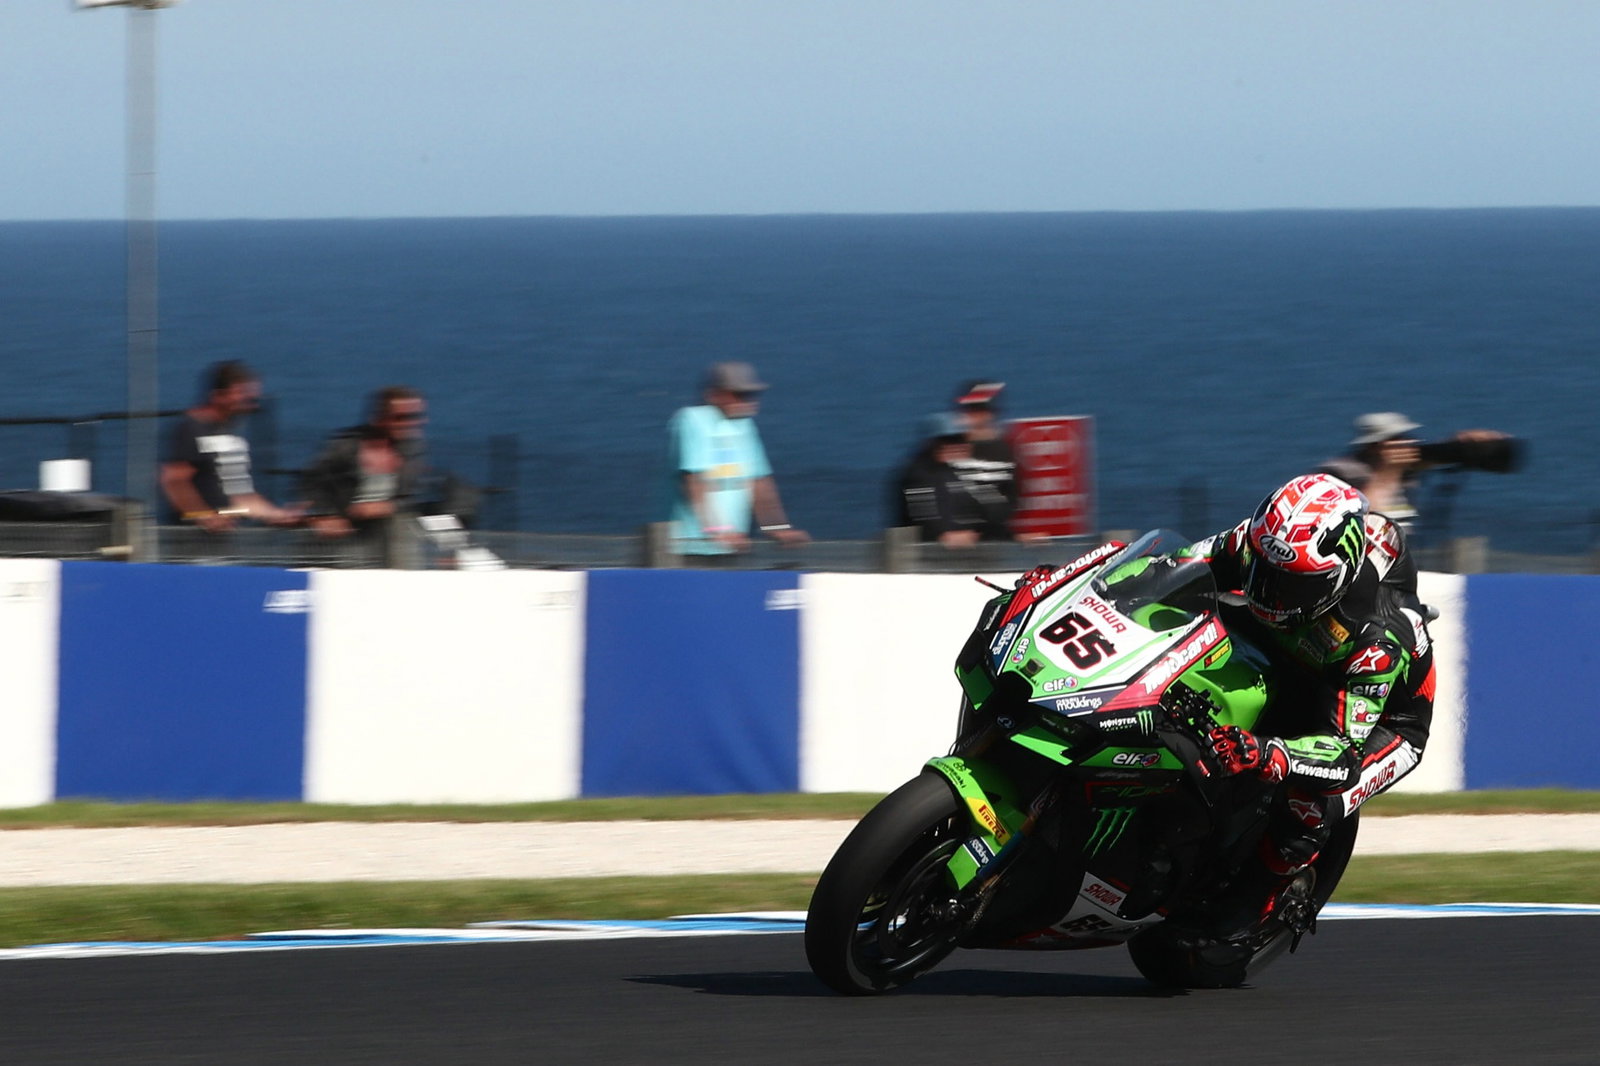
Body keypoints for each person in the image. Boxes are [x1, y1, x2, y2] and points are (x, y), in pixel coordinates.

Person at [1182, 472, 1436, 943]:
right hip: (1297, 652)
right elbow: (1171, 569)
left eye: (1290, 587)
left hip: (1381, 722)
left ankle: (1258, 899)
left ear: (1334, 579)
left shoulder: (1375, 641)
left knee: (1311, 794)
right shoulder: (1261, 543)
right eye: (1262, 573)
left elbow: (1340, 756)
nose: (1268, 595)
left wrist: (1267, 753)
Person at [665, 362, 808, 560]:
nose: (749, 401)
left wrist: (777, 528)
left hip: (729, 546)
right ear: (714, 395)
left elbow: (759, 482)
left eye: (752, 395)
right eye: (740, 394)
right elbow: (693, 481)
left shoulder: (745, 424)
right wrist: (718, 530)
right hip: (687, 548)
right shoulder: (691, 420)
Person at [159, 360, 300, 532]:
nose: (251, 404)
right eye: (244, 395)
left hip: (224, 541)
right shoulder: (191, 429)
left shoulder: (233, 436)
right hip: (192, 541)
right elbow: (174, 481)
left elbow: (240, 495)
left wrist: (276, 514)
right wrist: (203, 516)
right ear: (219, 395)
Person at [1318, 412, 1513, 536]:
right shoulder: (1340, 474)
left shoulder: (1404, 468)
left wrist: (1467, 444)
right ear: (1374, 446)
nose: (1408, 444)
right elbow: (1368, 520)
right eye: (1398, 439)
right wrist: (1388, 472)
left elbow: (1440, 456)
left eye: (1407, 437)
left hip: (1397, 560)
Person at [301, 386, 431, 539]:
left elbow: (421, 495)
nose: (411, 423)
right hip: (340, 535)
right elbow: (311, 483)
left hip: (390, 535)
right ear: (379, 418)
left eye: (416, 416)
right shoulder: (344, 445)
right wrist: (324, 514)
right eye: (401, 417)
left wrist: (389, 507)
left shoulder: (414, 450)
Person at [892, 412, 1013, 547]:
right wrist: (943, 533)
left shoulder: (967, 471)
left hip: (974, 551)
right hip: (928, 555)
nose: (958, 446)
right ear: (933, 444)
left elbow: (992, 507)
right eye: (950, 440)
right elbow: (923, 511)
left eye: (962, 439)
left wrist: (989, 531)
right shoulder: (918, 475)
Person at [949, 379, 1020, 532]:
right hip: (948, 542)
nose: (974, 417)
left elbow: (1012, 497)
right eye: (969, 411)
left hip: (989, 542)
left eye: (980, 410)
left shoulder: (1005, 451)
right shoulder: (948, 448)